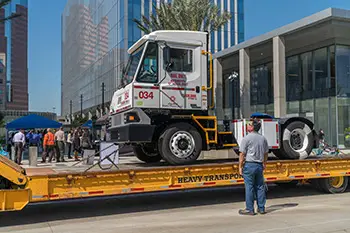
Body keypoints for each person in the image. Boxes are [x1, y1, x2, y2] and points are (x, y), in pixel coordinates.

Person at [238, 119, 269, 215]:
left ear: (252, 127)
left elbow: (242, 154)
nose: (247, 126)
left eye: (249, 125)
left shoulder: (246, 138)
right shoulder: (263, 138)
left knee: (249, 187)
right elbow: (265, 153)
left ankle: (249, 209)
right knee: (260, 187)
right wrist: (264, 163)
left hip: (249, 165)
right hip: (259, 165)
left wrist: (240, 166)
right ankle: (261, 208)